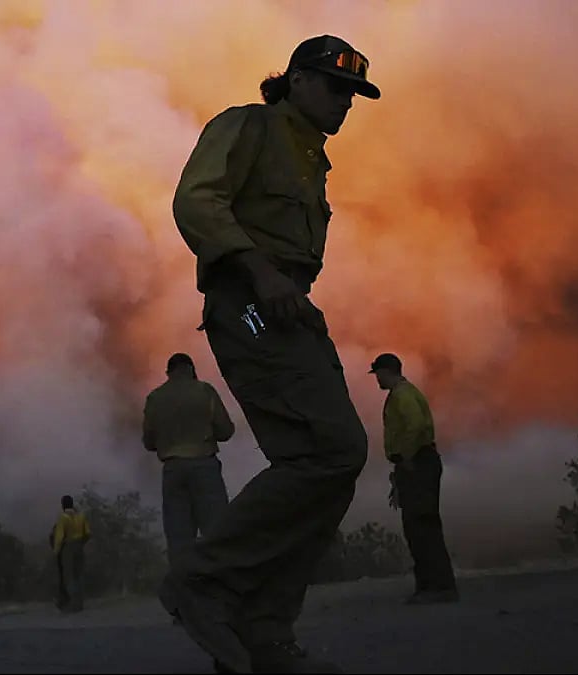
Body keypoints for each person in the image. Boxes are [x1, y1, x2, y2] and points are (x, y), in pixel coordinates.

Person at [163, 34, 381, 673]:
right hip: (250, 302)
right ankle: (202, 580)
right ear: (297, 81)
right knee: (335, 450)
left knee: (322, 457)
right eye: (336, 88)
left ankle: (262, 628)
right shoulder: (249, 126)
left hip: (284, 306)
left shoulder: (311, 157)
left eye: (353, 94)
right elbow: (195, 201)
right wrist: (260, 273)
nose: (346, 103)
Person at [370, 353, 458, 604]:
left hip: (418, 463)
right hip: (419, 463)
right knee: (421, 525)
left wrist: (406, 457)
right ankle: (434, 586)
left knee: (421, 526)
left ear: (387, 371)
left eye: (378, 373)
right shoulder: (406, 392)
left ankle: (436, 588)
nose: (377, 379)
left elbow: (415, 425)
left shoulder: (402, 395)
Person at [142, 353, 235, 574]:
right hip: (204, 465)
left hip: (173, 469)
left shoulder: (155, 398)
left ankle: (185, 589)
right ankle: (220, 584)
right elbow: (226, 431)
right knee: (216, 531)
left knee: (179, 536)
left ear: (168, 373)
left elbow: (148, 442)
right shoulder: (204, 391)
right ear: (191, 369)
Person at [51, 494, 92, 613]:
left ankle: (70, 604)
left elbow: (59, 538)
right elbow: (88, 533)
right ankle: (79, 604)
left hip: (67, 547)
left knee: (69, 576)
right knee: (79, 575)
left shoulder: (63, 518)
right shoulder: (81, 516)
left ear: (63, 505)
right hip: (79, 546)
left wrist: (56, 552)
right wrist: (81, 543)